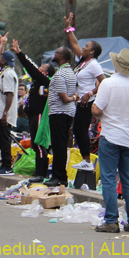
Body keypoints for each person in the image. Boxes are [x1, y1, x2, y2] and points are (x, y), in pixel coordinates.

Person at [92, 49, 129, 234]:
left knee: (109, 179)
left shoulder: (108, 84)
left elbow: (96, 110)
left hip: (110, 136)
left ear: (116, 66)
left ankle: (111, 220)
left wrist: (99, 110)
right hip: (128, 139)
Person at [64, 13, 105, 171]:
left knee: (80, 130)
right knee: (77, 130)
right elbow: (74, 44)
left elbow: (104, 82)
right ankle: (85, 159)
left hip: (85, 103)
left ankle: (87, 161)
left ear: (93, 51)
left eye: (87, 46)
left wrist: (90, 93)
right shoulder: (84, 62)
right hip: (77, 102)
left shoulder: (94, 65)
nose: (83, 48)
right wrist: (69, 28)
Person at [13, 39, 51, 183]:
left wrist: (19, 54)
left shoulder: (44, 80)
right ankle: (38, 172)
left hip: (39, 115)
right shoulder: (37, 82)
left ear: (46, 73)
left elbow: (31, 68)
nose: (39, 69)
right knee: (35, 145)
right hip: (33, 115)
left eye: (42, 69)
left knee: (39, 144)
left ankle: (42, 173)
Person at [46, 45, 77, 187]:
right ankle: (59, 175)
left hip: (59, 112)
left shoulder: (59, 75)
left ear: (62, 57)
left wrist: (73, 98)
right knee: (61, 145)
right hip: (66, 113)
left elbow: (64, 98)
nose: (55, 54)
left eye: (57, 52)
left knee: (58, 146)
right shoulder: (70, 72)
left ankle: (59, 176)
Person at [0, 41, 19, 175]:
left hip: (4, 113)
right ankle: (3, 164)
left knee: (4, 139)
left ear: (5, 61)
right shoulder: (5, 72)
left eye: (1, 58)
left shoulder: (8, 74)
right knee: (1, 140)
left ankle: (7, 166)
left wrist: (5, 113)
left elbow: (10, 94)